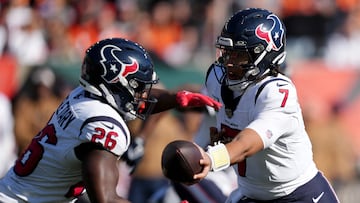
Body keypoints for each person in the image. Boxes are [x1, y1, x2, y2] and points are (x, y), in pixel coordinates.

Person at [0, 38, 221, 203]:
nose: (143, 94)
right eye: (137, 87)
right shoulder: (103, 125)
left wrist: (175, 99)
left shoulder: (83, 95)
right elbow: (105, 200)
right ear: (115, 83)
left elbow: (143, 99)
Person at [192, 8, 340, 203]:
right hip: (250, 194)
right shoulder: (217, 80)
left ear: (263, 55)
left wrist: (212, 158)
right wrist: (175, 99)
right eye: (228, 53)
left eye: (239, 55)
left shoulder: (276, 92)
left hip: (298, 195)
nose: (229, 63)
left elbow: (247, 144)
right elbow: (194, 104)